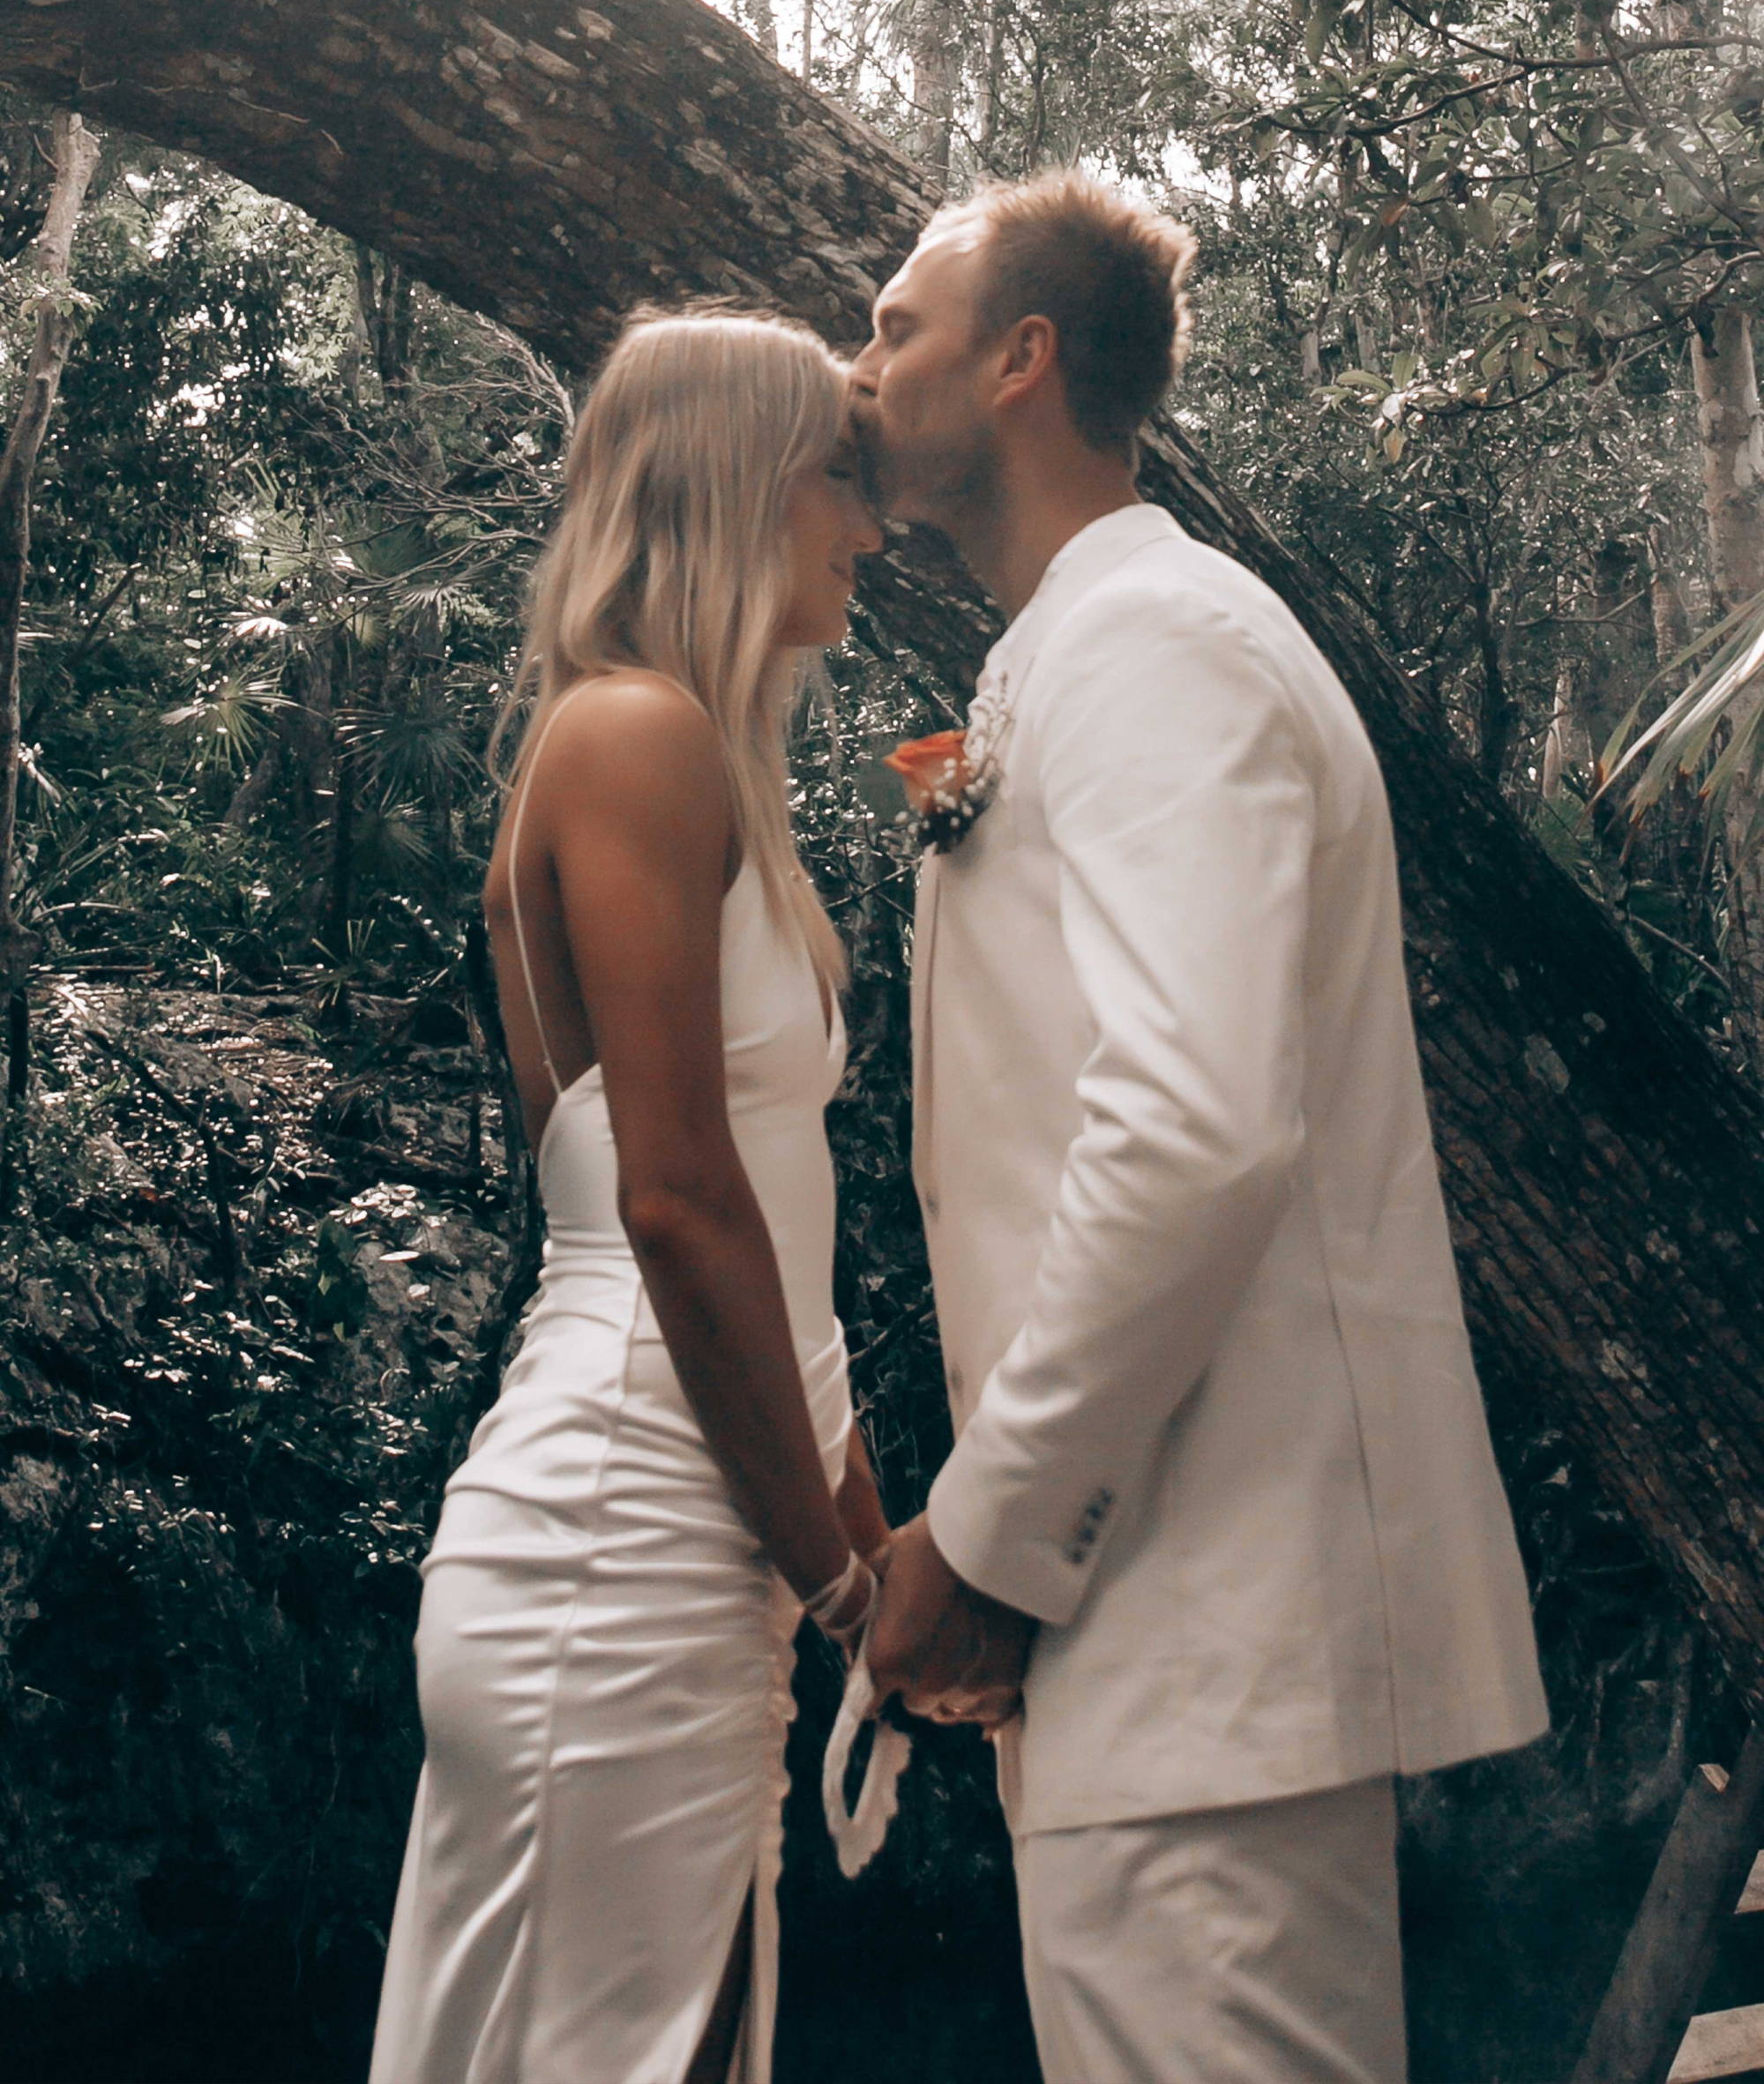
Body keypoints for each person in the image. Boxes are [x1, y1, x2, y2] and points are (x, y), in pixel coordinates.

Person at [850, 170, 1549, 2084]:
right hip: (1150, 1633)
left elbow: (1193, 1128)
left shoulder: (1158, 644)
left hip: (1207, 1613)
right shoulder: (1069, 650)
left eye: (896, 322)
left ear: (1020, 359)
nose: (863, 361)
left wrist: (991, 1540)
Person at [369, 309, 888, 2084]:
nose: (871, 527)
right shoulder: (633, 738)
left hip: (708, 1524)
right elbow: (663, 1205)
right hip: (620, 1534)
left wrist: (865, 1556)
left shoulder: (696, 756)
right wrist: (840, 1583)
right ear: (744, 484)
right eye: (843, 477)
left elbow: (775, 1246)